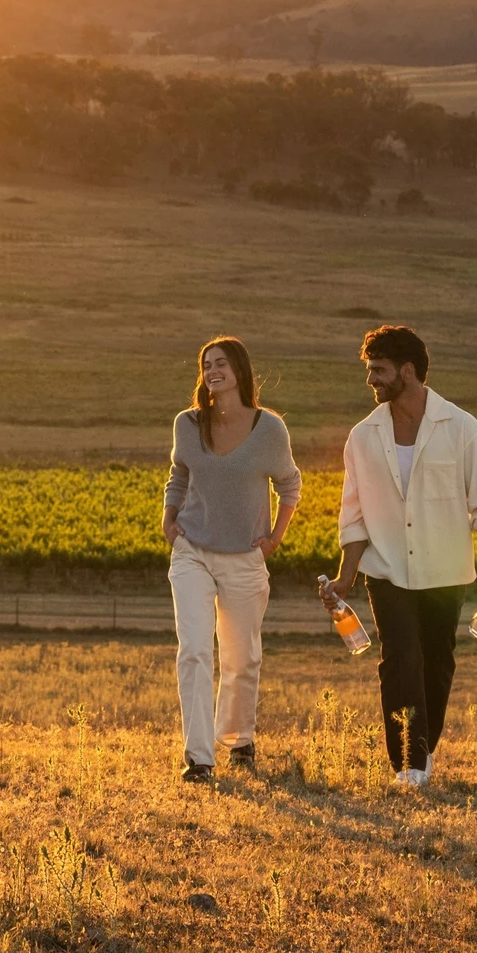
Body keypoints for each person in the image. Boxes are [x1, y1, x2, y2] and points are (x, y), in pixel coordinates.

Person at [329, 324, 477, 788]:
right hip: (385, 569)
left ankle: (422, 749)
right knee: (400, 658)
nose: (371, 380)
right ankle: (408, 763)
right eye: (370, 370)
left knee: (437, 661)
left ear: (408, 372)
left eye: (379, 370)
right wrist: (347, 576)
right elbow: (354, 514)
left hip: (446, 571)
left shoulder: (465, 431)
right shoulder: (362, 437)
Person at [163, 336, 301, 784]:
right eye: (206, 365)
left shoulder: (270, 430)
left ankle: (238, 739)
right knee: (196, 650)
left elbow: (290, 485)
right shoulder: (188, 424)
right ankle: (199, 758)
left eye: (221, 363)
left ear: (240, 371)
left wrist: (273, 539)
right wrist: (168, 520)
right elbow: (179, 474)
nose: (212, 370)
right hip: (193, 554)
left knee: (243, 659)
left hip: (245, 557)